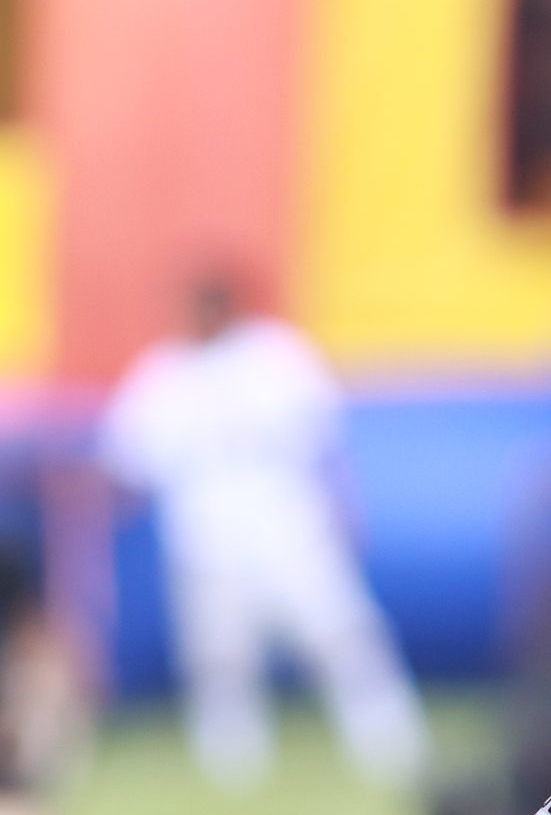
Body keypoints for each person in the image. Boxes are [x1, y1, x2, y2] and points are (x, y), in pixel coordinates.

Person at [99, 274, 427, 787]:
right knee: (219, 659)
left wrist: (346, 510)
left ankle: (390, 744)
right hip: (207, 545)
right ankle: (233, 767)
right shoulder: (162, 375)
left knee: (341, 635)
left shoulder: (276, 357)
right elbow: (127, 462)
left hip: (290, 533)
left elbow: (326, 444)